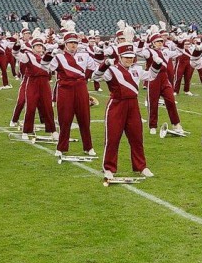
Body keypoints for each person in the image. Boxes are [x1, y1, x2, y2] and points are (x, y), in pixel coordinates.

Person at [92, 35, 158, 178]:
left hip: (133, 105)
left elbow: (151, 76)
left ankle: (141, 167)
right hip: (117, 104)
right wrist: (105, 64)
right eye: (126, 57)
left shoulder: (137, 69)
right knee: (113, 137)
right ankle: (109, 168)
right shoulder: (112, 70)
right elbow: (95, 77)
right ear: (120, 56)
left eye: (131, 57)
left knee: (136, 137)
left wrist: (156, 65)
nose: (129, 59)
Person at [42, 25, 97, 156]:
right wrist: (49, 55)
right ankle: (61, 148)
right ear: (65, 44)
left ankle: (88, 147)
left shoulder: (85, 55)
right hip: (65, 89)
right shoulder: (59, 57)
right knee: (65, 118)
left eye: (75, 43)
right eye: (70, 43)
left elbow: (96, 67)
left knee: (84, 118)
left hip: (81, 88)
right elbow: (45, 67)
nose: (73, 45)